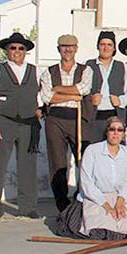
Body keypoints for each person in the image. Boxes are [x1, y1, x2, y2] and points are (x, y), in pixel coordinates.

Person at [0, 32, 42, 221]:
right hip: (3, 122)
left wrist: (40, 108)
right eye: (13, 48)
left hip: (27, 123)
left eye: (21, 48)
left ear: (26, 51)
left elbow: (42, 93)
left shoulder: (35, 71)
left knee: (28, 165)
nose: (17, 51)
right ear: (7, 50)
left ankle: (28, 206)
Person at [40, 34, 92, 212]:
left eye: (71, 46)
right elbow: (47, 97)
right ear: (58, 49)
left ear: (76, 48)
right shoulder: (49, 71)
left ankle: (81, 199)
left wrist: (59, 91)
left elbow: (84, 89)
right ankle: (62, 205)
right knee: (57, 162)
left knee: (82, 160)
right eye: (63, 46)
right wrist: (73, 95)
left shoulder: (85, 70)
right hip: (54, 118)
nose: (67, 49)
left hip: (77, 116)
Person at [77, 117, 127, 237]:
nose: (116, 133)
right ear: (107, 132)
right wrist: (107, 206)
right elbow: (86, 183)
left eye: (120, 130)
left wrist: (119, 202)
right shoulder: (92, 150)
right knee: (104, 226)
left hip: (118, 197)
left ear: (123, 133)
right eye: (112, 129)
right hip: (96, 199)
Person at [83, 31, 127, 147]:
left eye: (109, 45)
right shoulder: (87, 66)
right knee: (93, 152)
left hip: (115, 117)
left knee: (115, 152)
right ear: (97, 46)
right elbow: (80, 91)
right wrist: (90, 99)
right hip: (93, 118)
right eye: (102, 44)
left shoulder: (123, 67)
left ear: (114, 48)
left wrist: (121, 101)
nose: (105, 48)